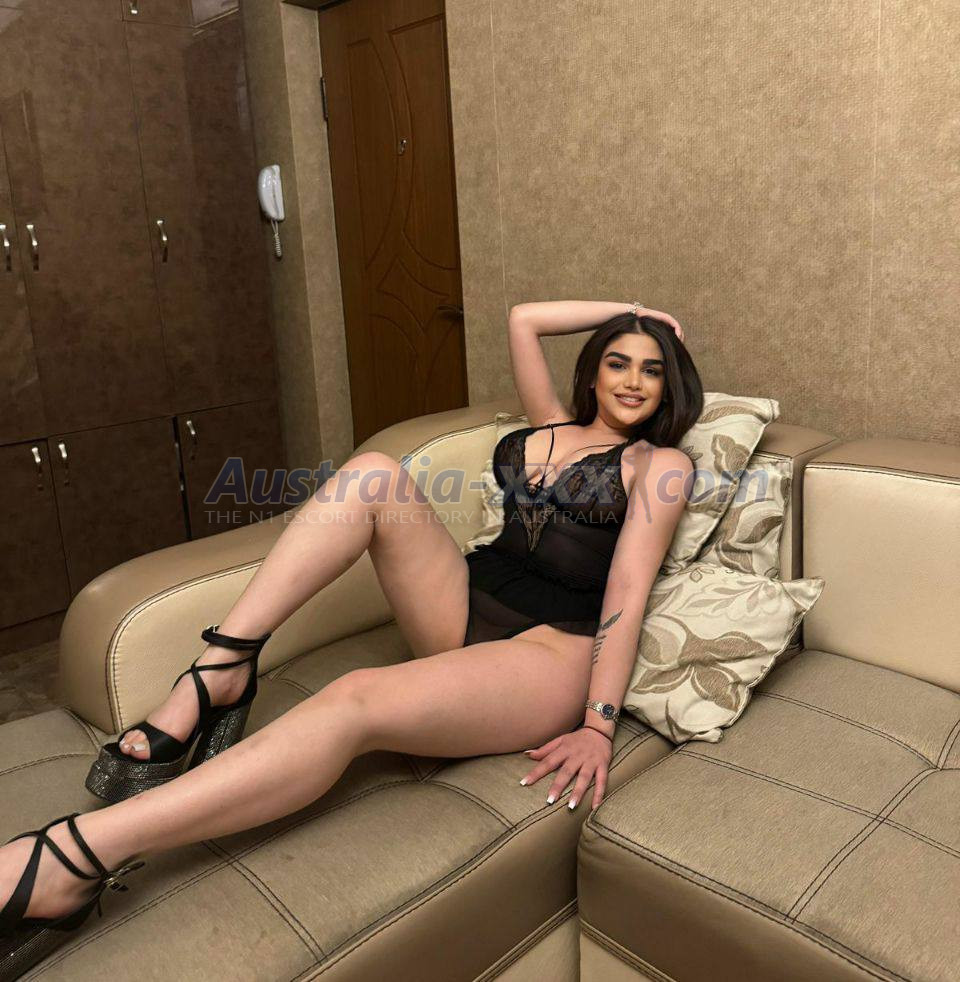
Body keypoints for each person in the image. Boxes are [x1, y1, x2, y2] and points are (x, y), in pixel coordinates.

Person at [0, 300, 702, 978]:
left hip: (547, 651)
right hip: (465, 605)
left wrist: (598, 726)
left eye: (652, 369)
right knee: (373, 473)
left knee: (355, 697)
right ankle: (221, 668)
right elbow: (525, 319)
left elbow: (627, 590)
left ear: (669, 387)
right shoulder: (549, 424)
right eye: (618, 362)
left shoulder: (659, 466)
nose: (633, 381)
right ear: (592, 371)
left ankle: (78, 854)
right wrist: (634, 310)